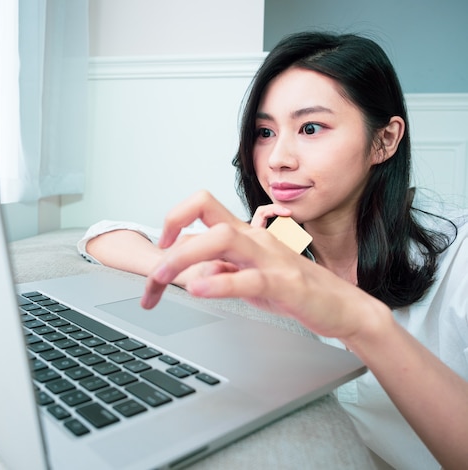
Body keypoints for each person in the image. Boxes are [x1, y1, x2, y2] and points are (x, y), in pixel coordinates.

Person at [78, 32, 468, 470]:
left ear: (385, 140)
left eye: (311, 128)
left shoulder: (459, 259)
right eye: (265, 132)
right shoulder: (279, 241)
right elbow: (104, 235)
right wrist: (191, 270)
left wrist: (366, 324)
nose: (278, 158)